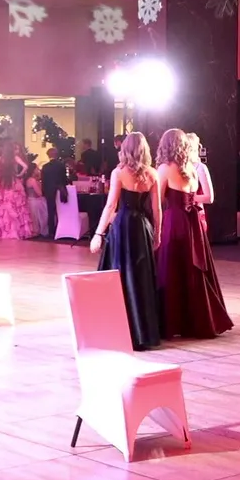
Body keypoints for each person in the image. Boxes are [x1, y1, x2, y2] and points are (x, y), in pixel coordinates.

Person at [155, 130, 233, 339]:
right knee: (192, 268)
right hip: (192, 222)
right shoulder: (191, 167)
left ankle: (172, 322)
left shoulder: (165, 168)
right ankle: (196, 321)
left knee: (171, 269)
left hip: (174, 220)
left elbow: (158, 201)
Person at [90, 132, 163, 351]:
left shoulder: (118, 172)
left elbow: (111, 205)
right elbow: (157, 209)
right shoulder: (152, 173)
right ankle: (142, 332)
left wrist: (98, 233)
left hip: (123, 227)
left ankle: (116, 330)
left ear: (125, 149)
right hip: (142, 227)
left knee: (120, 275)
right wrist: (158, 234)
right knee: (140, 278)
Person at [0, 140, 33, 239]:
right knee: (15, 205)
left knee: (2, 206)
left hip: (2, 183)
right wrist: (19, 174)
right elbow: (25, 166)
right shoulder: (15, 158)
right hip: (13, 181)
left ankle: (3, 230)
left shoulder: (1, 158)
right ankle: (16, 231)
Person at [41, 148, 69, 239]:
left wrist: (44, 192)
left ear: (48, 155)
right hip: (60, 190)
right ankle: (61, 229)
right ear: (57, 154)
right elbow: (64, 179)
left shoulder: (45, 167)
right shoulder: (61, 165)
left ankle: (51, 232)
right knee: (61, 211)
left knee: (50, 211)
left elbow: (44, 181)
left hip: (49, 191)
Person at [22, 160, 49, 237]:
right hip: (35, 201)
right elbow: (39, 193)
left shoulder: (29, 179)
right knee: (41, 216)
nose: (38, 170)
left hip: (30, 200)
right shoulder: (33, 180)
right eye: (37, 168)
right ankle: (39, 231)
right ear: (33, 170)